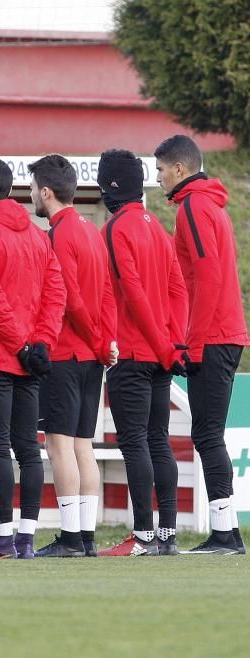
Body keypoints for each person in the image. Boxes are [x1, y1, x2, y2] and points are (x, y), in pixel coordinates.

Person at [0, 157, 66, 559]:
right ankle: (25, 538)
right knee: (28, 448)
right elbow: (56, 293)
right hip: (31, 359)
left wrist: (22, 343)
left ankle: (2, 538)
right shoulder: (39, 235)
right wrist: (40, 343)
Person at [154, 135, 248, 555]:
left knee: (207, 434)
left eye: (160, 170)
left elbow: (207, 279)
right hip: (225, 333)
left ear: (178, 169)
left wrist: (192, 342)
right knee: (209, 433)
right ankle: (226, 532)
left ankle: (226, 535)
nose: (157, 178)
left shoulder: (193, 207)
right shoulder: (209, 206)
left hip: (214, 337)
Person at [97, 148, 189, 557]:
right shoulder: (158, 226)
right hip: (161, 354)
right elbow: (177, 290)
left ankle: (144, 536)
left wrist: (157, 344)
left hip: (134, 351)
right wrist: (173, 343)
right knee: (158, 440)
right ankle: (167, 535)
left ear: (109, 186)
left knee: (134, 442)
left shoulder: (117, 229)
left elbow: (132, 294)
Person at [28, 155, 118, 558]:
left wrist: (96, 340)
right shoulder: (91, 229)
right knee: (83, 445)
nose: (30, 194)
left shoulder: (60, 234)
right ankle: (85, 537)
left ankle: (69, 537)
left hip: (67, 352)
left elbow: (70, 298)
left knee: (59, 445)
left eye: (32, 188)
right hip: (92, 356)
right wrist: (106, 340)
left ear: (46, 192)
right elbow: (106, 294)